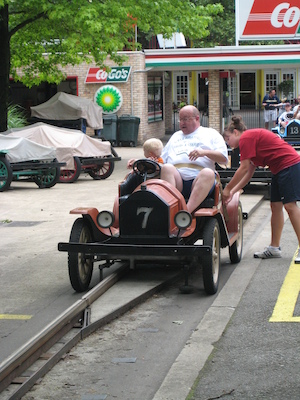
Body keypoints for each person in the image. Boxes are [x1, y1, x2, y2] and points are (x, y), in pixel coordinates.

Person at [222, 115, 300, 263]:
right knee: (275, 206)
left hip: (288, 165)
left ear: (236, 132)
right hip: (279, 168)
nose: (227, 142)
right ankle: (274, 248)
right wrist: (233, 192)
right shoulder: (249, 141)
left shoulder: (246, 139)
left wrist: (228, 189)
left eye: (227, 138)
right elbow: (249, 172)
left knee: (290, 206)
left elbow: (243, 168)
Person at [160, 105, 228, 213]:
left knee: (208, 173)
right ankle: (170, 211)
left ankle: (186, 213)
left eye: (185, 119)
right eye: (180, 119)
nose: (182, 123)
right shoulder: (175, 136)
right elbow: (161, 160)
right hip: (177, 179)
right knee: (167, 167)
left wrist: (204, 152)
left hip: (200, 179)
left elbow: (224, 158)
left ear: (197, 118)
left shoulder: (210, 133)